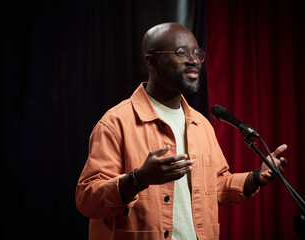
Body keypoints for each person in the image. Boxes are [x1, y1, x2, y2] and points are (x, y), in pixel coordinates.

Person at [75, 22, 287, 240]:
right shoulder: (115, 122)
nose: (194, 60)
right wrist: (137, 180)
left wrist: (256, 177)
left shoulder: (201, 124)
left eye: (197, 53)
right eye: (181, 53)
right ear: (152, 62)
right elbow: (87, 200)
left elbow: (216, 185)